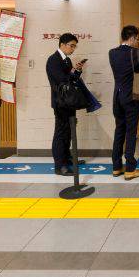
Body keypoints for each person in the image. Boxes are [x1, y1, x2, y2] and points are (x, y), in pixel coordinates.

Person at [109, 25, 139, 180]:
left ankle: (116, 167)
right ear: (131, 37)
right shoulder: (135, 53)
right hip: (131, 97)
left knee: (119, 130)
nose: (137, 41)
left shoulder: (113, 53)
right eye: (136, 38)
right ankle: (130, 168)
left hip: (117, 97)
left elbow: (124, 69)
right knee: (131, 132)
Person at [46, 33, 85, 176]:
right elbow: (62, 80)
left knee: (69, 132)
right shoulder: (53, 60)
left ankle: (67, 159)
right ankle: (59, 165)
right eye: (71, 46)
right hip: (60, 102)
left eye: (75, 46)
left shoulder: (67, 61)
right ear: (62, 44)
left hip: (69, 102)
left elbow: (72, 80)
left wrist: (77, 70)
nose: (73, 49)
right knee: (60, 133)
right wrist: (71, 72)